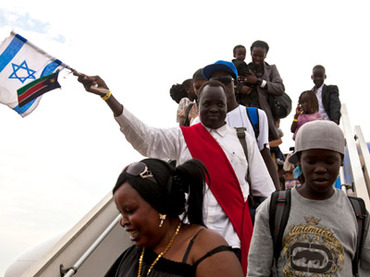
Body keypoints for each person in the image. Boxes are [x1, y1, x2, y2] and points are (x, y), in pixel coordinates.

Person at [75, 73, 275, 275]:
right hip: (187, 243)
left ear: (227, 106)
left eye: (219, 104)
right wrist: (109, 98)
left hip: (235, 241)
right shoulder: (183, 137)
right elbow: (146, 139)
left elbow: (265, 192)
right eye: (207, 104)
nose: (214, 109)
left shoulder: (244, 140)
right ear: (198, 104)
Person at [247, 120, 370, 276]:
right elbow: (257, 269)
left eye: (329, 161)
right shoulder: (275, 207)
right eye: (311, 161)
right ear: (299, 160)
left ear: (340, 160)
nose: (320, 168)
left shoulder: (357, 212)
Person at [105, 158, 244, 277]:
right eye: (120, 212)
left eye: (129, 211)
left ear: (160, 204)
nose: (122, 222)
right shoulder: (133, 256)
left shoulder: (208, 250)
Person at [200, 60, 280, 190]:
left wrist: (277, 197)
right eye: (214, 81)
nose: (220, 85)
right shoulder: (199, 122)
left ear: (236, 83)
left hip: (249, 198)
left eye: (225, 80)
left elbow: (265, 157)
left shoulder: (256, 116)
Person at [237, 40, 285, 141]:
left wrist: (258, 81)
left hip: (265, 117)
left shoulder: (271, 69)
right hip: (246, 115)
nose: (257, 59)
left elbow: (280, 88)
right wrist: (240, 88)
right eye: (255, 55)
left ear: (266, 55)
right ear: (250, 54)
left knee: (264, 146)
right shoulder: (243, 68)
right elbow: (233, 85)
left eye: (261, 56)